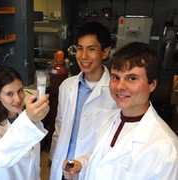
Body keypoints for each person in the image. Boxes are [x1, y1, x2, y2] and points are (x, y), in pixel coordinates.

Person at [62, 42, 178, 180]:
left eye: (132, 78)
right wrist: (82, 164)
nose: (120, 86)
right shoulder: (110, 119)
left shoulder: (165, 147)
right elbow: (104, 161)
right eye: (115, 77)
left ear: (152, 84)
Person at [49, 21, 117, 180]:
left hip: (92, 171)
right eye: (80, 48)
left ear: (105, 52)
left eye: (91, 49)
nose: (83, 56)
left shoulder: (115, 92)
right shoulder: (67, 86)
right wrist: (52, 156)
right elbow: (59, 125)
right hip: (63, 167)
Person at [0, 67, 50, 180]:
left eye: (20, 90)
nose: (18, 99)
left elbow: (33, 164)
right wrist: (28, 121)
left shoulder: (26, 119)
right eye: (9, 94)